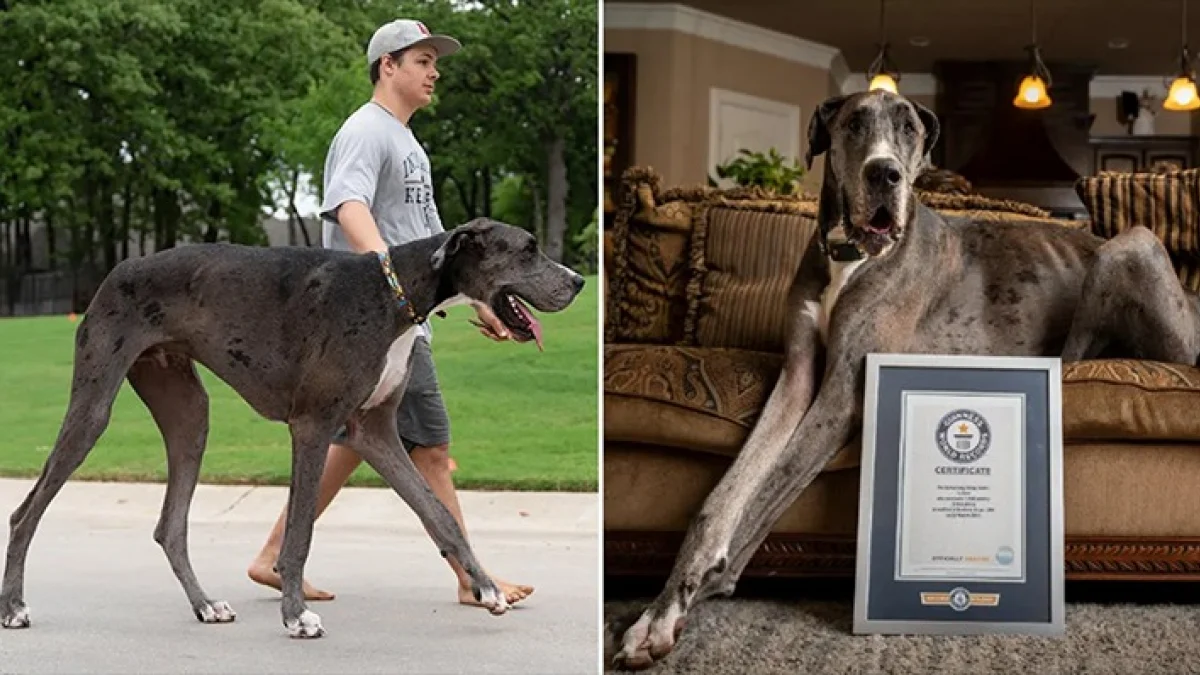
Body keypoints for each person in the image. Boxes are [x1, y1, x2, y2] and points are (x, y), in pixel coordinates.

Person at [247, 18, 534, 608]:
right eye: (423, 61)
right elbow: (348, 205)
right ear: (389, 66)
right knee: (429, 447)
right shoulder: (366, 131)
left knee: (357, 438)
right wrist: (389, 281)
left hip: (401, 317)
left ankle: (274, 555)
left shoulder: (407, 141)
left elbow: (435, 245)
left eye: (435, 63)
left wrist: (480, 299)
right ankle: (471, 577)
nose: (434, 73)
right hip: (376, 319)